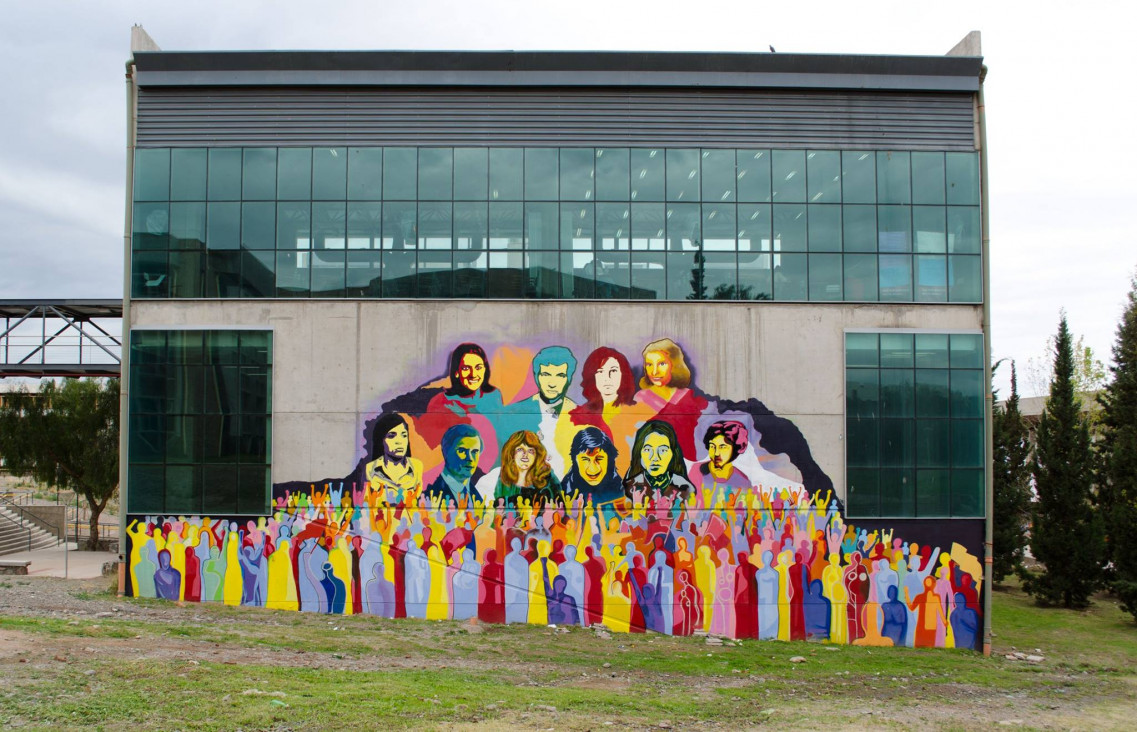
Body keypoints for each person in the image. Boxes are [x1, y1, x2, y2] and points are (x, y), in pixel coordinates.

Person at [505, 346, 578, 476]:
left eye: (560, 376)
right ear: (536, 376)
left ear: (569, 379)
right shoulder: (515, 414)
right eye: (546, 374)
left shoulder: (580, 416)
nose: (552, 383)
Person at [570, 347, 640, 474]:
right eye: (600, 372)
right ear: (592, 376)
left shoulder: (639, 413)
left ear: (623, 374)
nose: (607, 378)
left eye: (613, 371)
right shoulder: (578, 416)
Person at [632, 338, 706, 458]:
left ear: (674, 365)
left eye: (661, 364)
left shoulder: (689, 398)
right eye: (649, 364)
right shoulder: (640, 399)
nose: (654, 372)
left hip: (687, 463)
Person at [623, 420, 694, 502]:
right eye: (648, 450)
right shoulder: (629, 488)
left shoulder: (685, 488)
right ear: (639, 453)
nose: (655, 457)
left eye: (663, 450)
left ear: (673, 454)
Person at [363, 413, 423, 502]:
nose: (400, 442)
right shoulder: (370, 469)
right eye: (391, 436)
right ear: (381, 440)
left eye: (404, 435)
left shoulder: (417, 466)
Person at [560, 426, 625, 507]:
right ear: (575, 461)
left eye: (599, 458)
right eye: (585, 459)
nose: (592, 469)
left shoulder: (620, 488)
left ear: (609, 459)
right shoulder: (565, 489)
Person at [495, 430, 561, 508]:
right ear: (511, 453)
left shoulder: (547, 476)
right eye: (520, 449)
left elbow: (560, 505)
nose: (525, 455)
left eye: (530, 451)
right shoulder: (505, 476)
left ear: (537, 455)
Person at [425, 424, 485, 505]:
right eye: (462, 450)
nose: (470, 458)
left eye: (474, 452)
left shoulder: (478, 497)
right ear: (446, 452)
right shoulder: (429, 498)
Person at [688, 420, 751, 496]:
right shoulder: (696, 471)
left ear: (735, 448)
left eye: (722, 447)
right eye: (712, 446)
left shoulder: (743, 481)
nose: (716, 453)